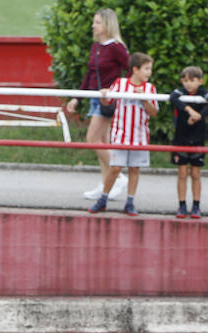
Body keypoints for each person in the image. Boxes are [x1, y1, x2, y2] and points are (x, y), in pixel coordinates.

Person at [68, 8, 129, 201]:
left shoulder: (116, 47)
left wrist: (114, 91)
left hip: (107, 101)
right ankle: (106, 186)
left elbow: (131, 72)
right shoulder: (97, 47)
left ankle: (117, 176)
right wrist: (77, 98)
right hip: (95, 98)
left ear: (107, 25)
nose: (93, 25)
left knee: (92, 138)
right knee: (102, 144)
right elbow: (89, 76)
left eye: (97, 22)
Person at [88, 52, 156, 216]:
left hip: (139, 136)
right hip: (121, 134)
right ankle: (103, 199)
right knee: (115, 167)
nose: (149, 72)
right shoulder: (120, 84)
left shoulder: (150, 88)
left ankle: (130, 202)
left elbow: (153, 112)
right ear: (135, 69)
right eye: (146, 69)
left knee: (134, 169)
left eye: (150, 69)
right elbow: (108, 102)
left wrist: (145, 99)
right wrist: (104, 96)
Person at [168, 65, 208, 219]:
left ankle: (196, 205)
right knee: (182, 173)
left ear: (200, 81)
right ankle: (182, 205)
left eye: (192, 80)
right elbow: (173, 98)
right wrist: (190, 111)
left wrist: (199, 116)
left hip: (198, 139)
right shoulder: (179, 92)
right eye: (185, 80)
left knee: (196, 173)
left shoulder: (204, 93)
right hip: (181, 138)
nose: (188, 84)